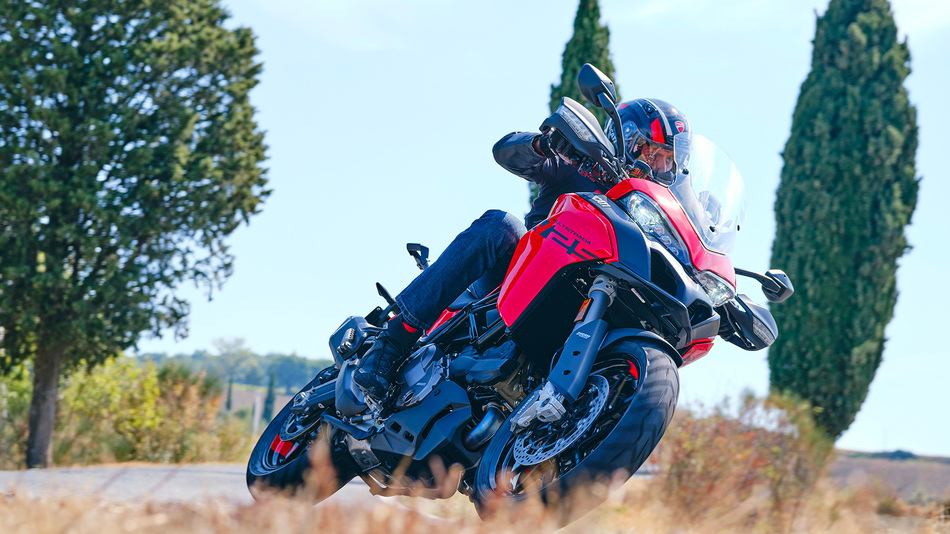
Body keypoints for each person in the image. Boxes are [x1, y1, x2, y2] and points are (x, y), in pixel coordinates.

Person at [354, 98, 691, 401]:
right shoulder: (582, 166)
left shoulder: (655, 214)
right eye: (652, 152)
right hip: (521, 277)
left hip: (584, 304)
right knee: (502, 226)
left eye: (667, 160)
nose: (659, 165)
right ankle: (393, 341)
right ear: (626, 140)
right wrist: (545, 145)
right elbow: (505, 151)